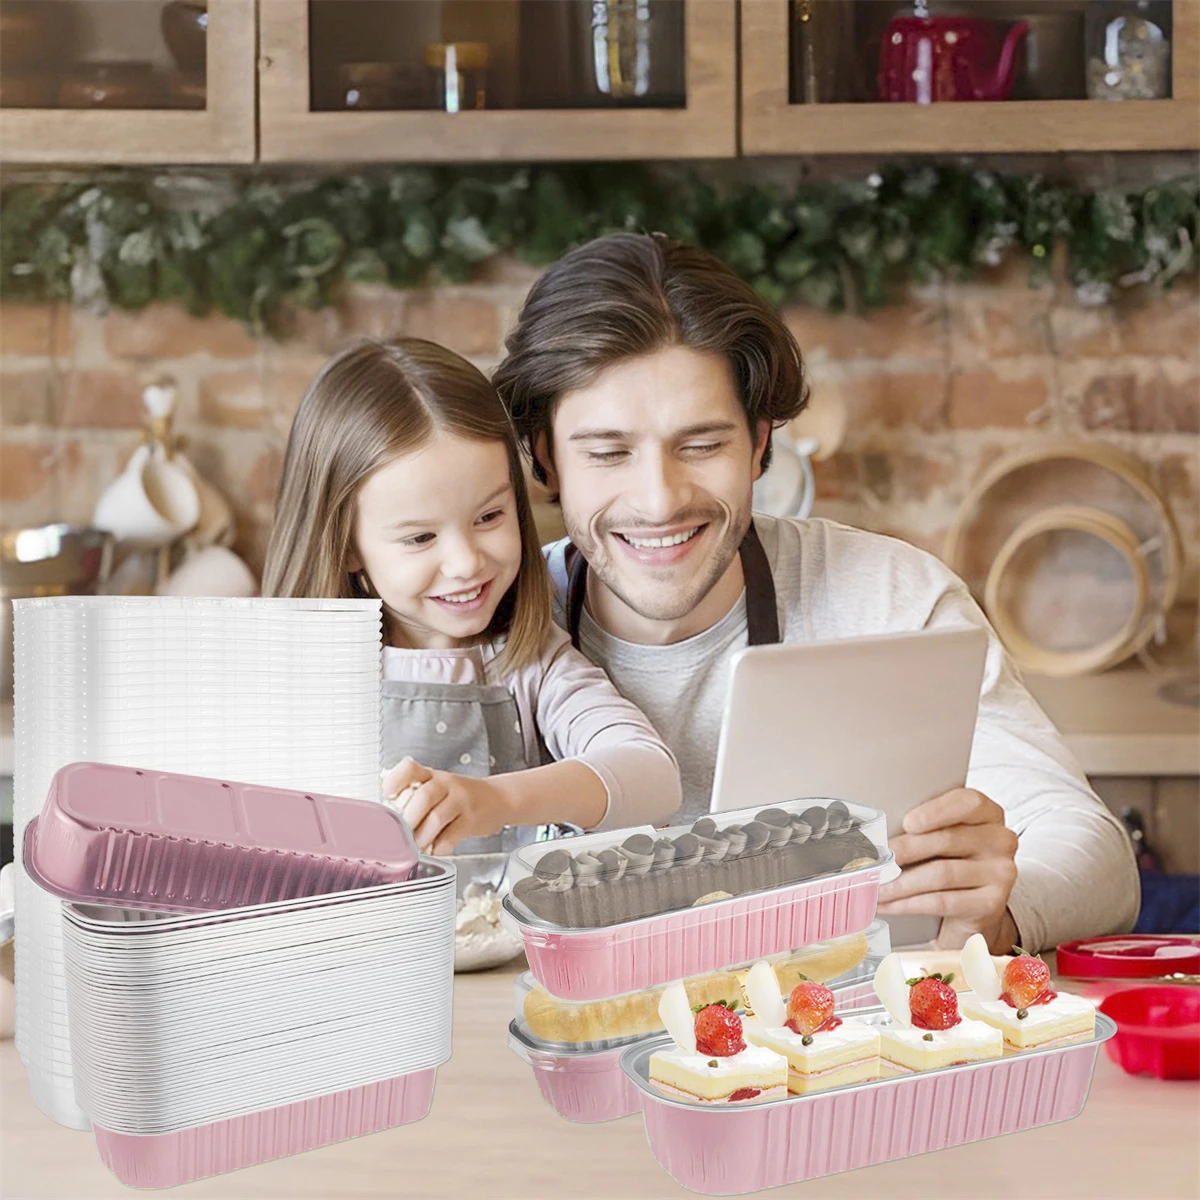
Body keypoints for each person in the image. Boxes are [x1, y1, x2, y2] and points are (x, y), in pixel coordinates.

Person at [493, 232, 1140, 953]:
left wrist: (999, 910)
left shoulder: (892, 599)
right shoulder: (477, 623)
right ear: (546, 455)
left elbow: (1102, 861)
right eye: (609, 453)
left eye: (702, 444)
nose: (659, 500)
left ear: (761, 442)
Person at [263, 336, 681, 854]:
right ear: (347, 547)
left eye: (489, 517)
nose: (466, 563)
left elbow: (654, 778)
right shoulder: (287, 679)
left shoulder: (528, 663)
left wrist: (493, 800)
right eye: (420, 537)